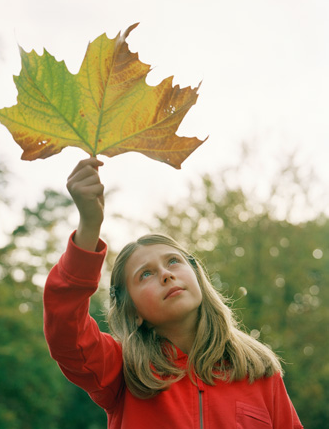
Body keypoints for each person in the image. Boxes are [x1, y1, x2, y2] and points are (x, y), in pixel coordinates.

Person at [43, 158, 303, 429]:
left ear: (197, 275)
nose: (166, 274)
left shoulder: (258, 371)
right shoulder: (121, 371)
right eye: (146, 274)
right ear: (132, 311)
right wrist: (89, 225)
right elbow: (65, 331)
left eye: (173, 261)